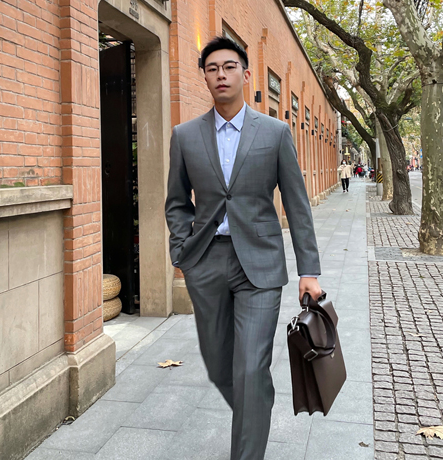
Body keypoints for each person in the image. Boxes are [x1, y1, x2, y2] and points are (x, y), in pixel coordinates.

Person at [165, 36, 322, 460]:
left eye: (229, 66)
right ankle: (257, 407)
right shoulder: (185, 136)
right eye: (212, 68)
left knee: (251, 368)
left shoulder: (275, 132)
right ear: (204, 77)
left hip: (261, 264)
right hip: (207, 261)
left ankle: (248, 446)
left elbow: (297, 204)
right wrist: (182, 251)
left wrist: (309, 270)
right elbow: (176, 202)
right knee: (221, 368)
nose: (221, 74)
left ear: (246, 74)